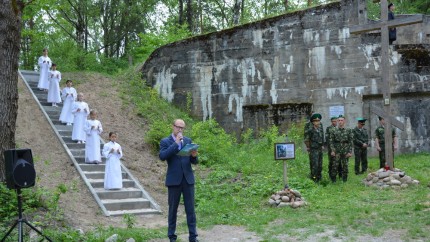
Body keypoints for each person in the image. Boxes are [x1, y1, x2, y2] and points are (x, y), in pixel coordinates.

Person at [159, 119, 199, 242]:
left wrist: (194, 156)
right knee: (173, 210)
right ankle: (172, 237)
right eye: (178, 127)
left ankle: (193, 237)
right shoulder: (165, 141)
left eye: (182, 128)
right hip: (174, 180)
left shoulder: (188, 141)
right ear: (173, 126)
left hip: (187, 180)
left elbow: (194, 162)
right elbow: (162, 156)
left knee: (190, 210)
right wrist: (176, 143)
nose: (180, 130)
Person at [329, 115, 353, 182]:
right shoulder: (333, 130)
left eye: (341, 120)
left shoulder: (348, 130)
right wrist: (332, 150)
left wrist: (350, 152)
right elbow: (331, 141)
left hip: (345, 151)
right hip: (337, 150)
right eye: (339, 120)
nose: (340, 122)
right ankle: (333, 180)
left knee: (345, 165)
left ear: (344, 121)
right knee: (335, 166)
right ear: (337, 121)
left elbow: (350, 141)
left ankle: (344, 180)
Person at [304, 113, 324, 182]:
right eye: (316, 121)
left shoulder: (320, 126)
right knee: (314, 164)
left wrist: (322, 145)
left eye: (318, 121)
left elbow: (322, 135)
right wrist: (308, 147)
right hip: (313, 149)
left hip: (320, 148)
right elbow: (306, 139)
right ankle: (314, 179)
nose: (318, 122)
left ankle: (319, 177)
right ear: (313, 122)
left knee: (320, 164)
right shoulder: (310, 128)